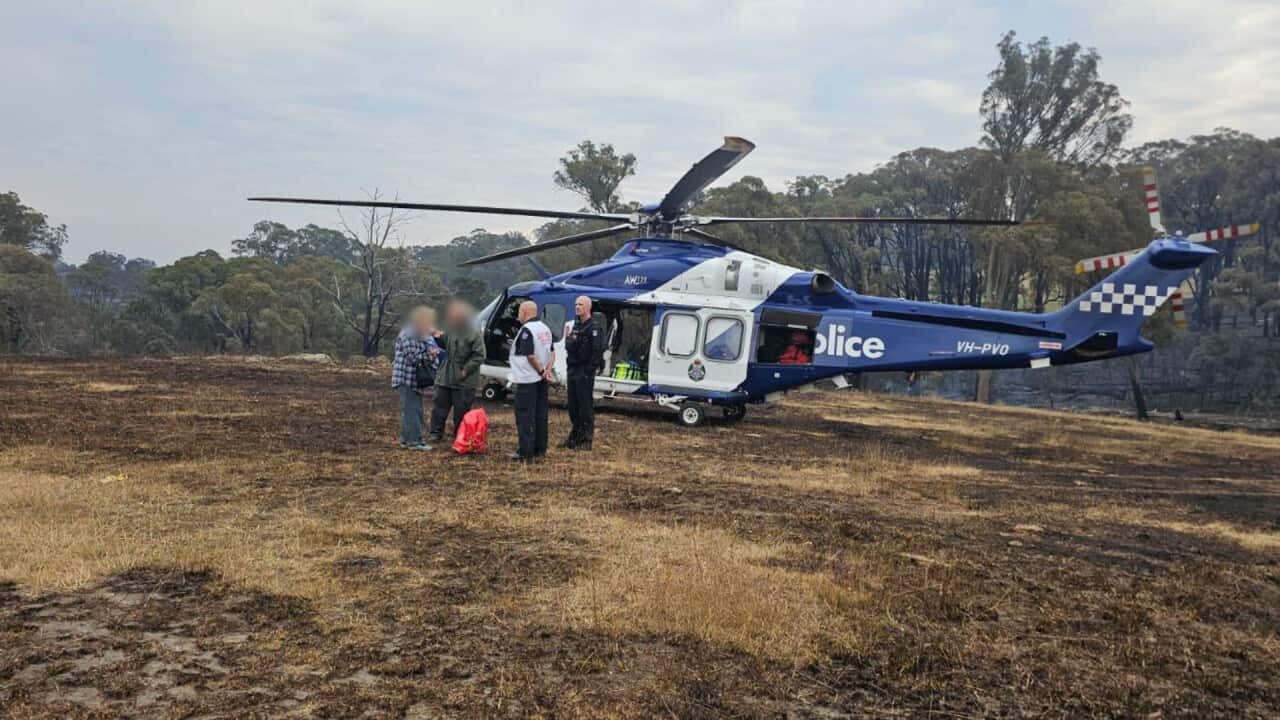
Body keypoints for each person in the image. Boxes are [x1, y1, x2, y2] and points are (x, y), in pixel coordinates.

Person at [428, 301, 486, 444]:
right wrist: (437, 336)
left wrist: (466, 370)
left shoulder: (474, 333)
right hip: (446, 375)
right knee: (439, 406)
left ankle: (461, 436)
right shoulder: (451, 329)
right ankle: (435, 432)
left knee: (461, 410)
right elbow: (445, 343)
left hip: (464, 380)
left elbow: (480, 355)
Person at [509, 300, 554, 461]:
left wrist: (541, 370)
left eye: (520, 311)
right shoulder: (545, 328)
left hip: (528, 379)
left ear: (525, 311)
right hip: (541, 380)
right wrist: (547, 370)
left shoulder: (527, 330)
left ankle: (525, 451)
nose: (518, 314)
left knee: (525, 415)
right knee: (540, 414)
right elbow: (552, 352)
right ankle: (540, 449)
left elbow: (530, 355)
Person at [391, 306, 440, 451]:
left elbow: (430, 345)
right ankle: (414, 442)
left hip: (415, 379)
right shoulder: (408, 334)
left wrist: (432, 348)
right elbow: (414, 357)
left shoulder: (421, 333)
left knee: (412, 409)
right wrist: (431, 354)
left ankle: (406, 440)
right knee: (412, 410)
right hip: (406, 379)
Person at [562, 295, 604, 450]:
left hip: (584, 371)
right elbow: (570, 346)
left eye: (580, 304)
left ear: (588, 307)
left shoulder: (594, 328)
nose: (577, 307)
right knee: (573, 406)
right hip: (573, 369)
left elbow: (597, 352)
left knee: (585, 406)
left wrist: (588, 371)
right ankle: (575, 437)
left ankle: (586, 440)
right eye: (576, 304)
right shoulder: (576, 326)